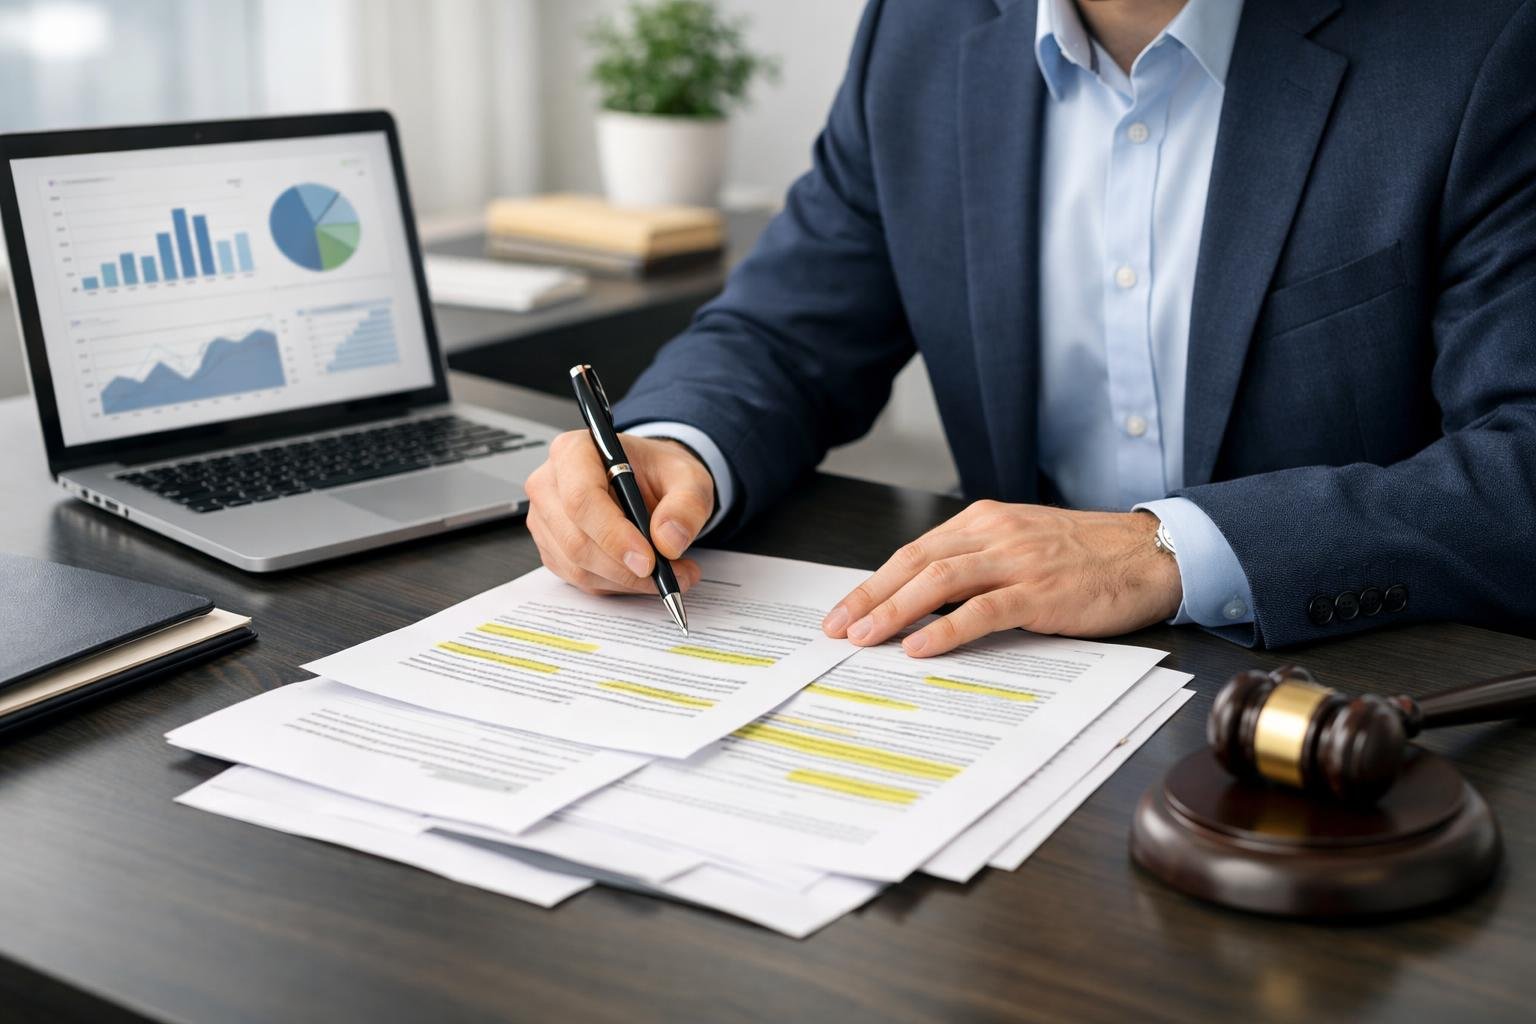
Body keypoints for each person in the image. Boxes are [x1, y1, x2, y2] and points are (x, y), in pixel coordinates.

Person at [525, 0, 1536, 656]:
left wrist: (1167, 553)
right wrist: (668, 448)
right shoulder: (921, 33)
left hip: (1338, 702)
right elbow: (783, 334)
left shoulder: (1480, 43)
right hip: (1004, 688)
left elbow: (1522, 464)